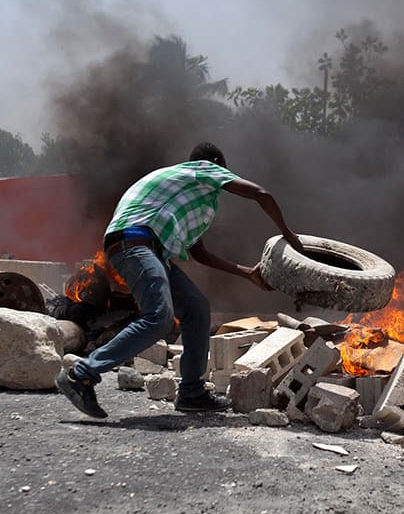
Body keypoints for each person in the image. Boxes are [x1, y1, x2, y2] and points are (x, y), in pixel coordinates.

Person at [56, 142, 304, 418]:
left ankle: (192, 393)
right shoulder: (202, 169)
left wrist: (248, 274)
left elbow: (200, 253)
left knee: (197, 309)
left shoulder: (186, 195)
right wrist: (288, 233)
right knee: (159, 317)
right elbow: (261, 194)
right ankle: (81, 375)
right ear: (214, 164)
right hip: (134, 242)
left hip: (149, 249)